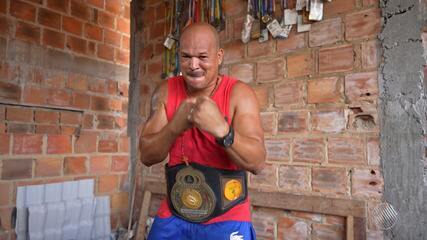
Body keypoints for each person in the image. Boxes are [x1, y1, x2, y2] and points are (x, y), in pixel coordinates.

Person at [139, 22, 266, 240]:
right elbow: (146, 156)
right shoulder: (166, 92)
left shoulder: (239, 94)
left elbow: (257, 162)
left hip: (228, 216)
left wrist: (223, 131)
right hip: (175, 213)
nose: (193, 65)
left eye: (202, 57)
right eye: (186, 57)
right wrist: (174, 128)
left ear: (219, 56)